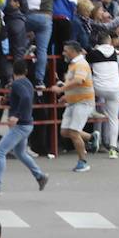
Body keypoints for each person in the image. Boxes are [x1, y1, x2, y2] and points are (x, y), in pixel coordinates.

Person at [0, 60, 47, 197]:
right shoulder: (27, 83)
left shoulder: (17, 84)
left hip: (20, 125)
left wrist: (16, 115)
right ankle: (40, 176)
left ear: (13, 71)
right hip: (27, 123)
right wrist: (5, 100)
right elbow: (24, 98)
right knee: (20, 153)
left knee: (0, 151)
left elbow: (25, 98)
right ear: (26, 71)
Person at [51, 41, 94, 172]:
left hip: (83, 102)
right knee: (65, 131)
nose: (64, 53)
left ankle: (83, 161)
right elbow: (74, 82)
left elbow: (78, 81)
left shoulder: (81, 64)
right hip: (72, 101)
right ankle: (91, 138)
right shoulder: (73, 64)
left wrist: (61, 89)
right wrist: (66, 95)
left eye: (66, 51)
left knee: (74, 132)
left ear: (73, 51)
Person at [88, 30, 119, 158]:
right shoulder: (116, 52)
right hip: (115, 88)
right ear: (109, 41)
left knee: (88, 82)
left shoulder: (93, 53)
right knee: (114, 119)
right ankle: (113, 148)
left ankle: (91, 108)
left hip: (98, 88)